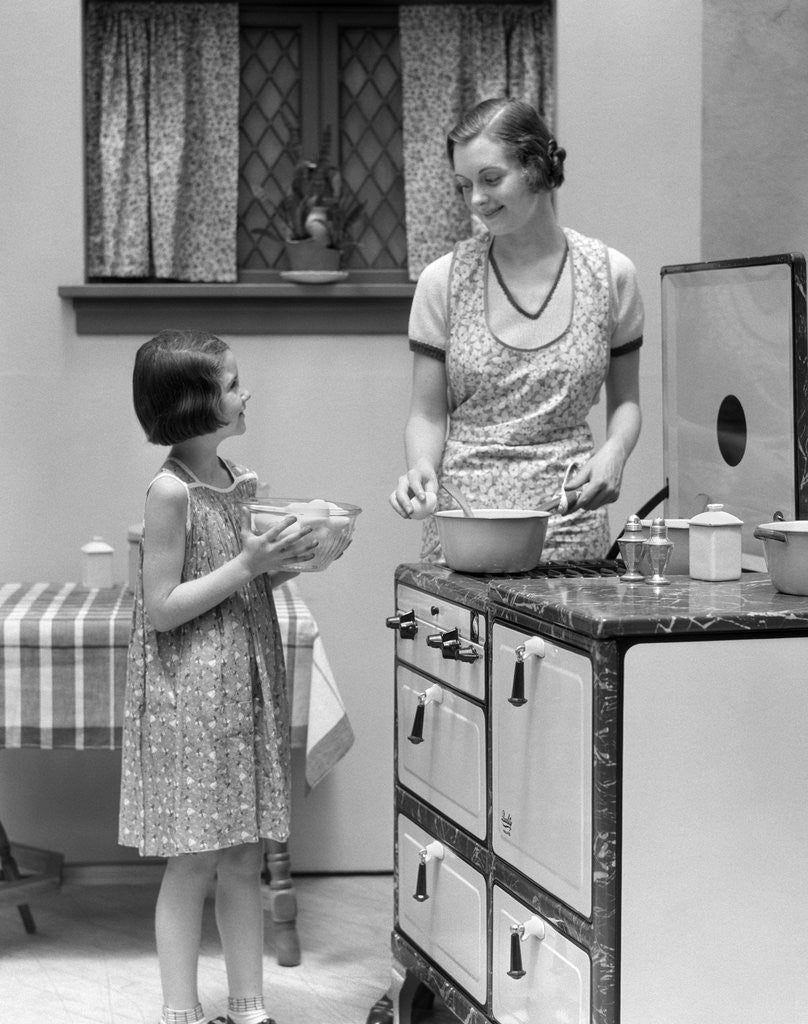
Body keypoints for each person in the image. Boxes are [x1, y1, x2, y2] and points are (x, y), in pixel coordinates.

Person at [119, 330, 319, 1024]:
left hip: (246, 684)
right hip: (193, 696)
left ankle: (248, 1005)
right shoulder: (169, 492)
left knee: (244, 855)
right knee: (194, 859)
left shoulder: (237, 481)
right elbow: (162, 608)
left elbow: (245, 579)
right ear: (193, 405)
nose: (245, 394)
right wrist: (248, 567)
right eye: (233, 384)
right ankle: (181, 1010)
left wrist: (298, 556)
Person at [389, 96, 643, 562]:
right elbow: (426, 413)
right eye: (464, 186)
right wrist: (420, 466)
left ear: (537, 168)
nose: (476, 201)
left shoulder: (611, 275)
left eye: (490, 179)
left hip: (570, 521)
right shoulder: (442, 281)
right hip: (464, 524)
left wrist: (615, 452)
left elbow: (626, 402)